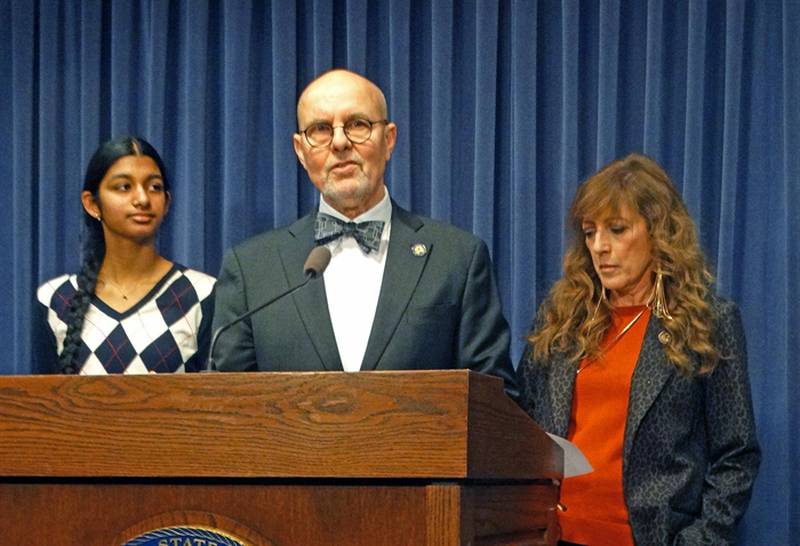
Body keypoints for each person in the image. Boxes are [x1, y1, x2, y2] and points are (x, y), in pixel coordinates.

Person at [211, 69, 517, 396]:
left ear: (389, 139)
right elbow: (227, 410)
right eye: (321, 129)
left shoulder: (458, 259)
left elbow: (495, 405)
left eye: (358, 124)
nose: (340, 142)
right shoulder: (251, 268)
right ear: (300, 151)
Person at [517, 154, 760, 545]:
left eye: (616, 229)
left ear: (658, 232)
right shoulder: (560, 318)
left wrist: (700, 539)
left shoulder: (707, 322)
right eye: (590, 232)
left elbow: (737, 455)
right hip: (556, 536)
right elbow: (522, 427)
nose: (599, 247)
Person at [35, 136, 216, 374]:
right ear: (92, 204)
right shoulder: (56, 299)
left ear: (167, 202)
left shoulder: (201, 294)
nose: (142, 199)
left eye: (155, 187)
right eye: (124, 187)